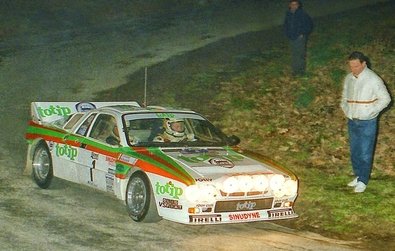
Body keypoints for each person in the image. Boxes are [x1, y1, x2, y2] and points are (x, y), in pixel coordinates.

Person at [340, 51, 391, 193]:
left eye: (356, 66)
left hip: (367, 122)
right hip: (352, 120)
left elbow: (385, 99)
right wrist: (346, 110)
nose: (353, 69)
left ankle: (363, 180)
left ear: (364, 64)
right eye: (351, 66)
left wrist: (371, 111)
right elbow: (344, 97)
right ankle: (358, 175)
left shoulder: (373, 79)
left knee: (365, 152)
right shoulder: (349, 78)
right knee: (355, 151)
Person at [283, 0, 313, 76]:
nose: (294, 6)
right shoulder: (288, 14)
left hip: (300, 37)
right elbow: (286, 25)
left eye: (295, 4)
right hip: (291, 37)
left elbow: (309, 24)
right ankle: (295, 71)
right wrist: (287, 34)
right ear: (289, 5)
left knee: (300, 54)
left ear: (298, 5)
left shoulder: (302, 13)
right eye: (292, 4)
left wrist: (303, 33)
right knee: (294, 54)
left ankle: (301, 71)